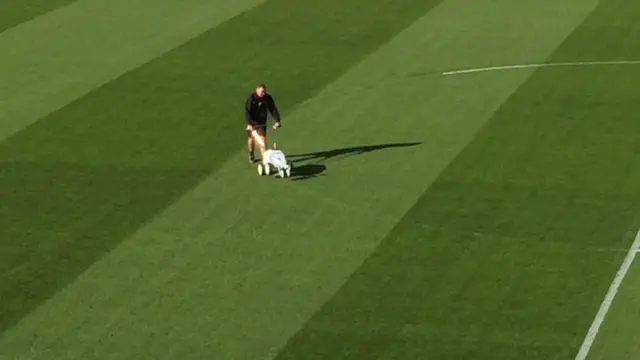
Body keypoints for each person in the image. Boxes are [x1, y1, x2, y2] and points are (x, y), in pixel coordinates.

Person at [245, 84, 281, 163]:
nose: (263, 93)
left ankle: (265, 160)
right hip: (252, 121)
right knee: (251, 139)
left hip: (261, 121)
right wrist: (248, 124)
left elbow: (273, 109)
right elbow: (247, 111)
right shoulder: (251, 98)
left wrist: (277, 120)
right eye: (262, 92)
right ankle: (251, 153)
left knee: (262, 139)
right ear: (257, 90)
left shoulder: (267, 98)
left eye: (264, 92)